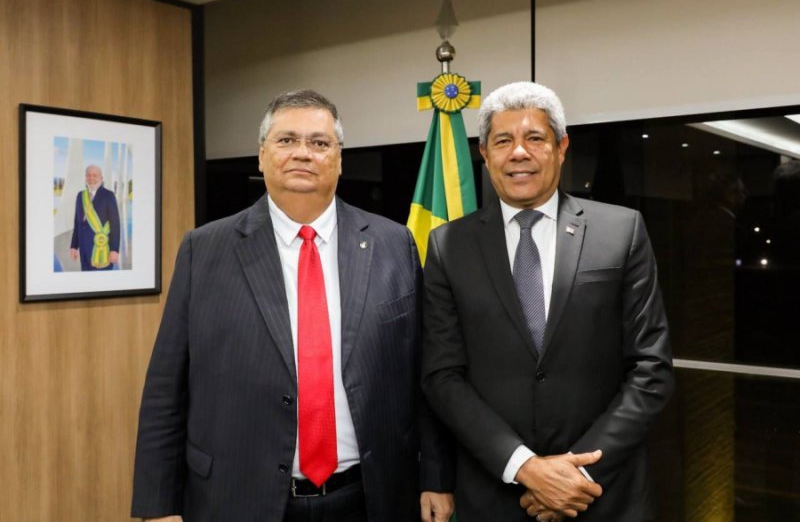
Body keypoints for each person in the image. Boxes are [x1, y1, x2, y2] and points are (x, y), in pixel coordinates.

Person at [131, 90, 454, 522]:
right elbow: (166, 387)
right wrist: (158, 506)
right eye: (286, 140)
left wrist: (435, 475)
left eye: (319, 143)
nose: (303, 153)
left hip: (370, 497)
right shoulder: (204, 250)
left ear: (339, 159)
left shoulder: (394, 244)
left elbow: (423, 372)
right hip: (239, 498)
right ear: (262, 155)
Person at [421, 82, 674, 522]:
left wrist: (573, 476)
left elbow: (650, 368)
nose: (519, 153)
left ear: (561, 148)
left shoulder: (622, 231)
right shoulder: (448, 246)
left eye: (535, 138)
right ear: (485, 154)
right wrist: (525, 467)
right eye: (503, 140)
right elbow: (443, 376)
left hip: (602, 493)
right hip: (496, 496)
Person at [70, 164, 120, 271]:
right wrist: (74, 246)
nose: (91, 178)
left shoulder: (109, 195)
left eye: (94, 175)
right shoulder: (80, 196)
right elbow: (77, 223)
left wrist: (114, 250)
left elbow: (115, 224)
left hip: (102, 249)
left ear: (101, 178)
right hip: (84, 250)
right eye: (88, 175)